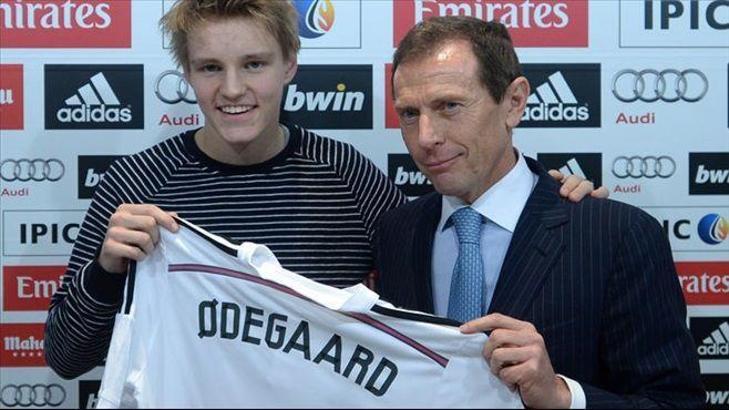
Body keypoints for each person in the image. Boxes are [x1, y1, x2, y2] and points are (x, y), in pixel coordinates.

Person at [44, 0, 601, 380]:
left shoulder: (347, 177)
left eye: (254, 64)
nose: (233, 88)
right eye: (210, 67)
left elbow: (440, 249)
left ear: (290, 65)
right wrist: (105, 272)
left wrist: (544, 201)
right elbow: (66, 358)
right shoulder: (136, 185)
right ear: (186, 74)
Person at [373, 16, 704, 409]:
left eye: (450, 106)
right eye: (410, 114)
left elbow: (675, 402)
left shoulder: (617, 235)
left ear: (514, 102)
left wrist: (562, 396)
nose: (426, 137)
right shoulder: (396, 232)